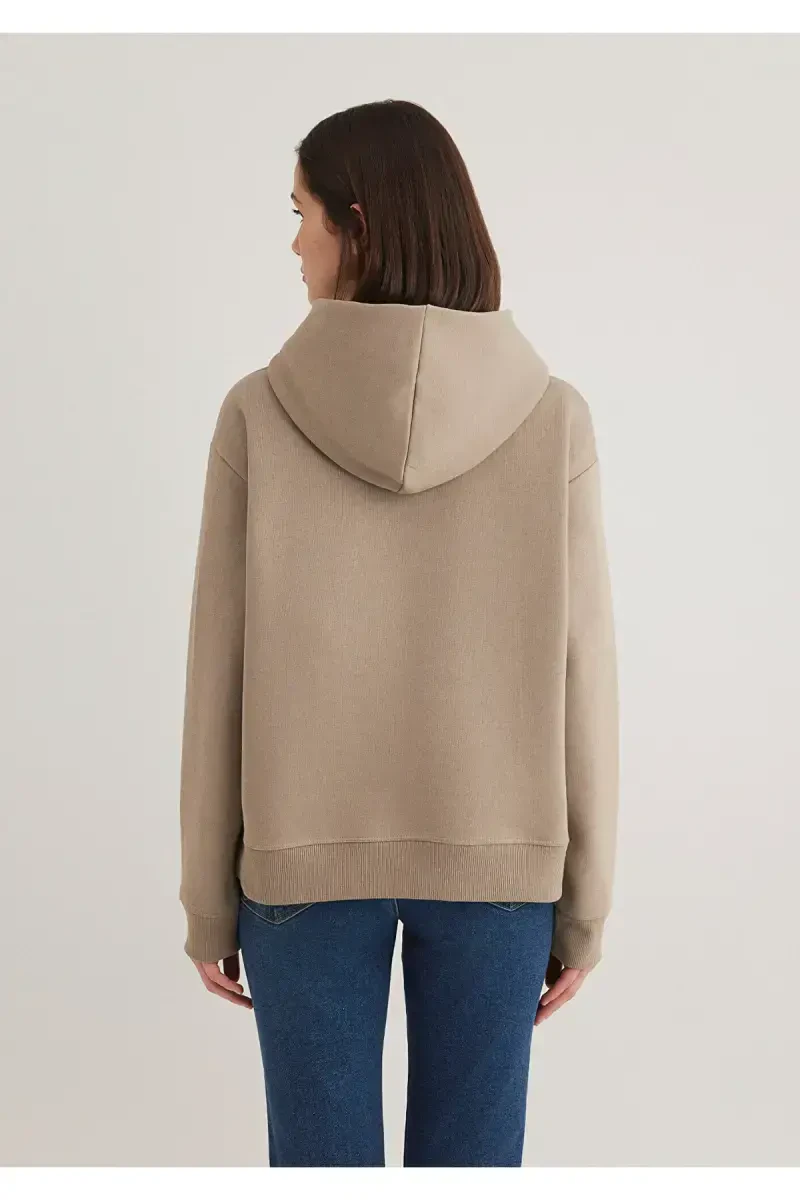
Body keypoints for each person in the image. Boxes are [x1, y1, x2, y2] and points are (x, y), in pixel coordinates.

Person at [178, 99, 619, 1168]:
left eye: (301, 214)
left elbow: (216, 675)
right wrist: (585, 906)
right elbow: (585, 678)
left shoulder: (257, 413)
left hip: (298, 863)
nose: (293, 243)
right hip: (499, 867)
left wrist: (205, 900)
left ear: (357, 225)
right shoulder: (552, 417)